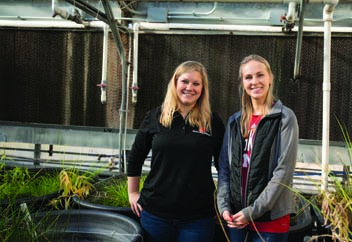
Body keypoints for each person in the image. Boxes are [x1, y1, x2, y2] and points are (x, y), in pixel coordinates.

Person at [127, 61, 225, 242]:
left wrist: (224, 204)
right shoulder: (155, 117)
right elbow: (136, 156)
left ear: (203, 88)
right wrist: (132, 192)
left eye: (196, 83)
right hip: (155, 213)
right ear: (175, 83)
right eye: (185, 81)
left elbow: (224, 167)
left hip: (198, 217)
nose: (190, 88)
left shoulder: (213, 122)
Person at [217, 54, 299, 242]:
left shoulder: (284, 118)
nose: (255, 82)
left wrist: (252, 212)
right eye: (248, 77)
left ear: (270, 78)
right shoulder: (234, 121)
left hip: (271, 219)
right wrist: (224, 207)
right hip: (237, 217)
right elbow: (225, 169)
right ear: (242, 83)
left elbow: (283, 171)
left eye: (260, 75)